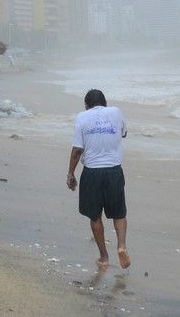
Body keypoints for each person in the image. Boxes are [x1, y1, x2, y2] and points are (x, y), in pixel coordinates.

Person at [66, 89, 130, 269]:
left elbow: (77, 150)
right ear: (105, 103)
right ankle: (122, 246)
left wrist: (71, 173)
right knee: (119, 213)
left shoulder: (82, 117)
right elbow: (124, 133)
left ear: (86, 105)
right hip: (114, 171)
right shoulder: (116, 112)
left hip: (92, 173)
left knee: (95, 216)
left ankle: (104, 257)